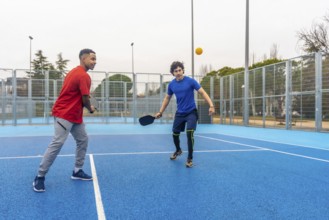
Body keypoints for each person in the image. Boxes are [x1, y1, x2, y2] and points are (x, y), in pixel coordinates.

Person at [33, 49, 97, 192]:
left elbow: (79, 96)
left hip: (74, 115)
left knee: (83, 140)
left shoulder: (75, 72)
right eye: (92, 59)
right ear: (83, 59)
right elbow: (85, 99)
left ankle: (77, 170)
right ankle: (40, 176)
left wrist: (86, 105)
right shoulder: (83, 75)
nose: (95, 62)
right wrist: (90, 108)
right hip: (64, 113)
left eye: (95, 59)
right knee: (57, 143)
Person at [155, 61, 215, 168]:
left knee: (189, 133)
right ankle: (178, 150)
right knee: (175, 134)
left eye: (179, 70)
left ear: (183, 70)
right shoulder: (172, 85)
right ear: (172, 73)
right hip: (180, 113)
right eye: (175, 71)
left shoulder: (191, 81)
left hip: (191, 112)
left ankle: (190, 158)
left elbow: (202, 92)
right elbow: (167, 98)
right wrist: (161, 112)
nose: (178, 72)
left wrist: (211, 105)